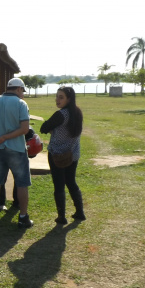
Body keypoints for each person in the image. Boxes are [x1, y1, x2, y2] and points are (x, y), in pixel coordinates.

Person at [0, 78, 33, 228]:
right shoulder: (21, 104)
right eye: (22, 91)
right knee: (22, 184)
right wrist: (5, 137)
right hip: (16, 149)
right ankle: (23, 217)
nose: (23, 94)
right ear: (18, 89)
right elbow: (24, 129)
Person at [40, 86, 86, 224]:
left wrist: (52, 129)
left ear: (69, 99)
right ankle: (80, 212)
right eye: (57, 96)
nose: (57, 100)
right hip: (73, 154)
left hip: (58, 156)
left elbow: (43, 128)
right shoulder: (77, 113)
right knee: (71, 182)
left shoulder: (60, 115)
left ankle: (62, 217)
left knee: (59, 185)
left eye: (61, 97)